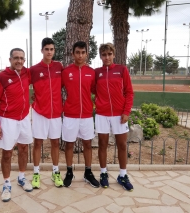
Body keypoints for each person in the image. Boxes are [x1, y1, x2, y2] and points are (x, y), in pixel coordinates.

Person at [0, 48, 33, 202]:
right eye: (16, 58)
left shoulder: (27, 73)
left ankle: (21, 177)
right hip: (7, 120)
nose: (19, 61)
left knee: (24, 148)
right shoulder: (1, 77)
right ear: (10, 60)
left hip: (24, 118)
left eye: (22, 58)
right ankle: (7, 184)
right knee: (7, 153)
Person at [94, 43, 134, 191]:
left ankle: (122, 175)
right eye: (104, 55)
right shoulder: (97, 72)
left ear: (114, 55)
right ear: (100, 56)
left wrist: (126, 112)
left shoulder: (122, 70)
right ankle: (103, 174)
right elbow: (91, 89)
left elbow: (129, 92)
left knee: (122, 145)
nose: (107, 57)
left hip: (119, 114)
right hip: (102, 114)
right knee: (103, 144)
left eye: (109, 54)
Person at [61, 41, 99, 188]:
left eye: (83, 52)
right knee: (69, 144)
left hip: (87, 116)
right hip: (70, 114)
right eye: (77, 52)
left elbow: (97, 91)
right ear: (73, 54)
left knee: (87, 144)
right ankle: (69, 172)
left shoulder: (92, 72)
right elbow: (54, 89)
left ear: (86, 54)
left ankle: (88, 173)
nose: (80, 55)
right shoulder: (66, 72)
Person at [30, 38, 64, 188]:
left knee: (55, 143)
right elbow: (22, 83)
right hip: (40, 112)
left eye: (51, 49)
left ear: (54, 51)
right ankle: (36, 173)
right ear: (42, 50)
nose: (49, 52)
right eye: (46, 49)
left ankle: (55, 172)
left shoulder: (59, 67)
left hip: (56, 112)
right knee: (38, 143)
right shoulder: (34, 69)